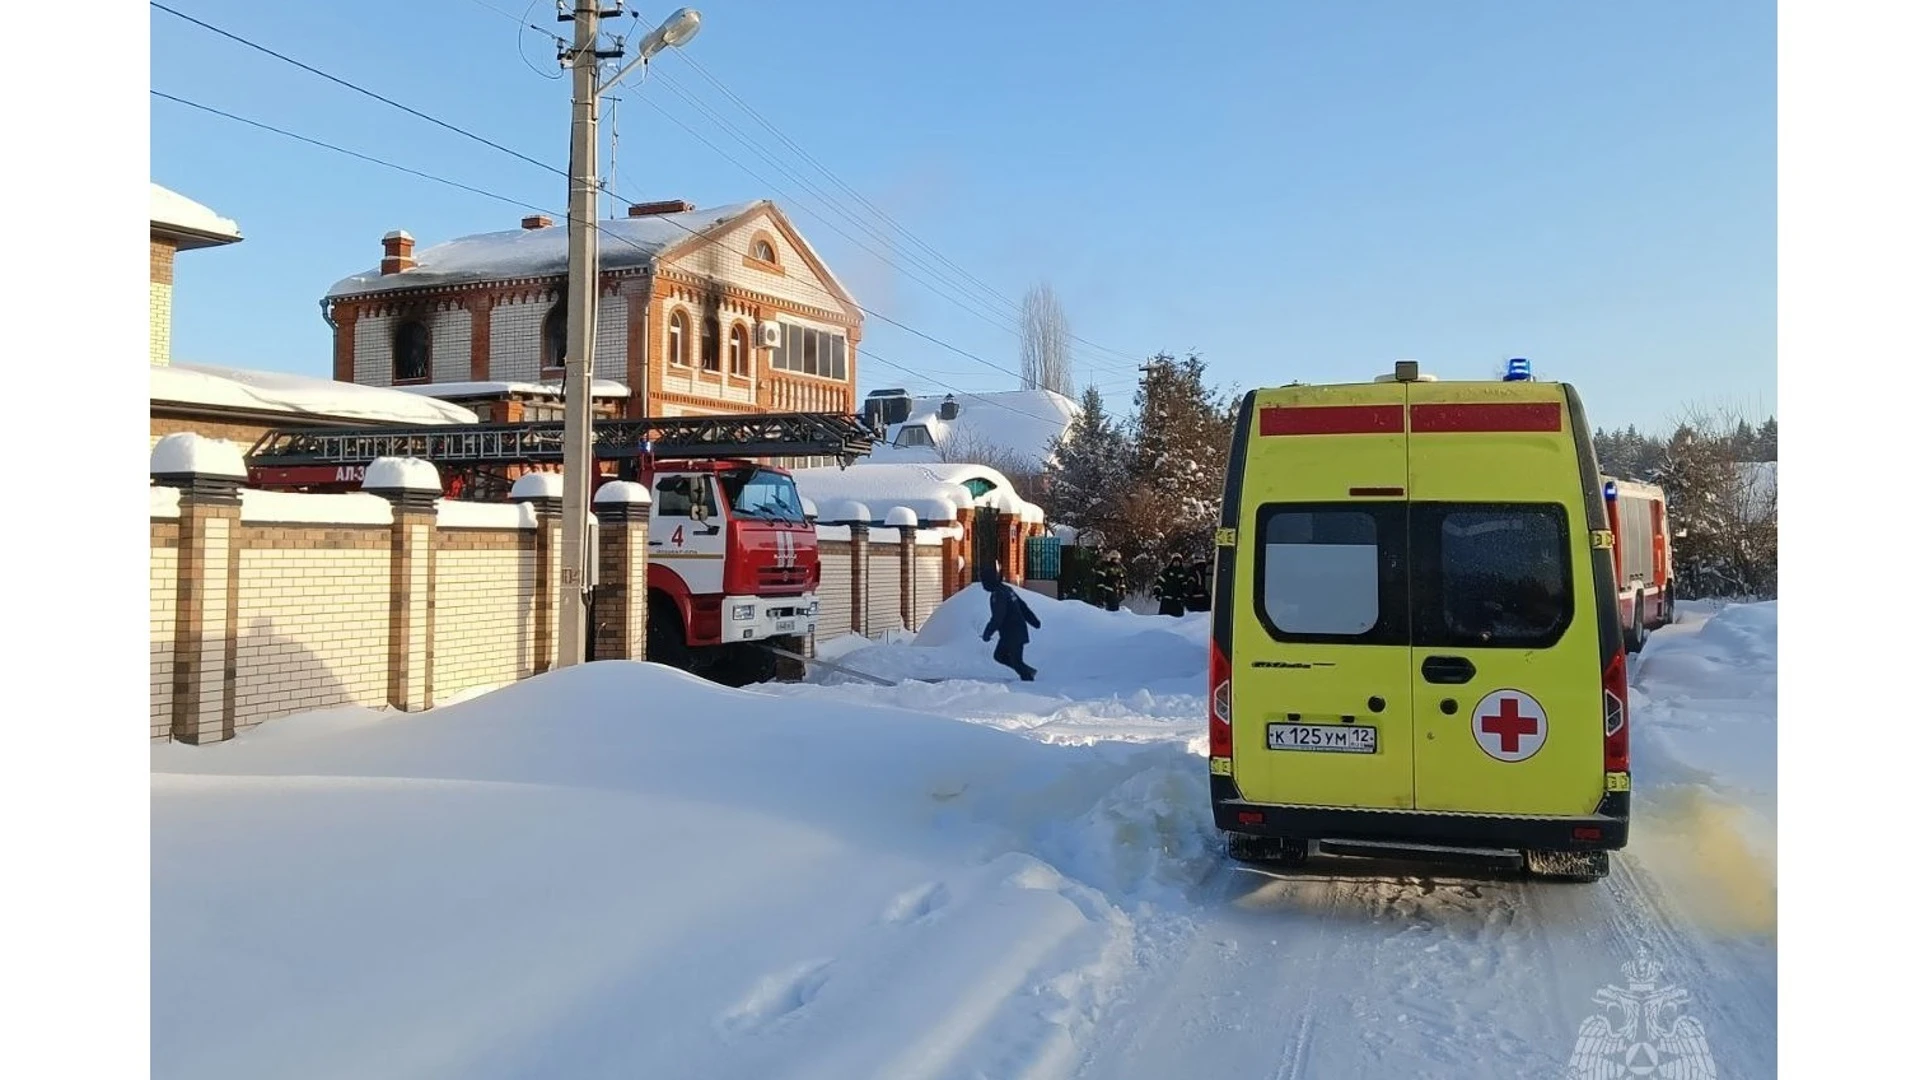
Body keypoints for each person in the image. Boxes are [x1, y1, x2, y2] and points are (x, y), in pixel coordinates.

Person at [979, 560, 1041, 681]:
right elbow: (1022, 606)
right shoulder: (1006, 589)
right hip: (1012, 632)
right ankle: (1028, 671)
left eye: (983, 581)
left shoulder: (999, 594)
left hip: (1013, 632)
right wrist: (1034, 621)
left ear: (988, 581)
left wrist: (988, 633)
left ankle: (1029, 681)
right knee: (999, 656)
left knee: (1015, 661)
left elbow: (998, 617)